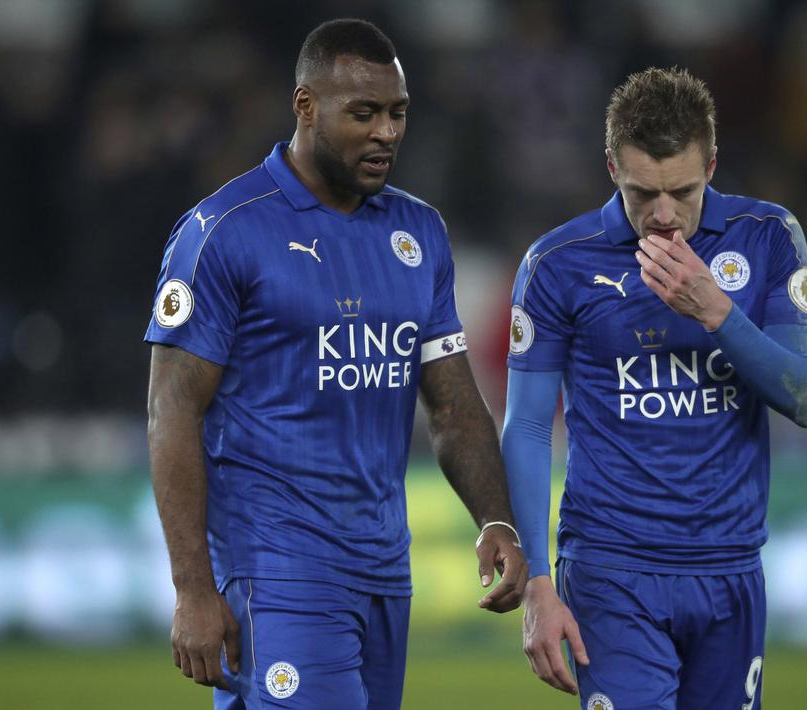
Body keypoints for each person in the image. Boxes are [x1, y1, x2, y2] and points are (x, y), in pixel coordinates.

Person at [144, 19, 526, 710]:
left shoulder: (418, 232)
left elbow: (451, 403)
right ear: (305, 106)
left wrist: (495, 520)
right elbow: (172, 410)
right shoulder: (224, 231)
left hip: (383, 571)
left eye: (397, 113)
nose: (386, 132)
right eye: (364, 113)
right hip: (276, 569)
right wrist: (193, 589)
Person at [502, 67, 807, 710]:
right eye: (640, 192)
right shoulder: (559, 264)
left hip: (729, 566)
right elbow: (530, 427)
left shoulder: (766, 238)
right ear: (610, 169)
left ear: (712, 163)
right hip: (610, 570)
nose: (662, 215)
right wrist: (539, 582)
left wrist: (717, 312)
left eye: (682, 190)